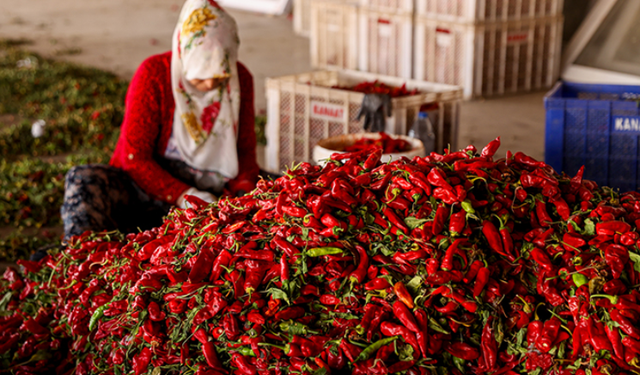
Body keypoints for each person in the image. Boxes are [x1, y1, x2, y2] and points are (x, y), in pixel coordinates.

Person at [60, 0, 259, 240]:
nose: (209, 85)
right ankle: (81, 255)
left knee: (276, 189)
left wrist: (242, 195)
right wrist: (184, 195)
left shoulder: (241, 80)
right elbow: (136, 160)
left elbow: (245, 151)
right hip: (144, 189)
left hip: (210, 192)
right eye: (200, 77)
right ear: (183, 54)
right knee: (83, 181)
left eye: (219, 76)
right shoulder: (154, 75)